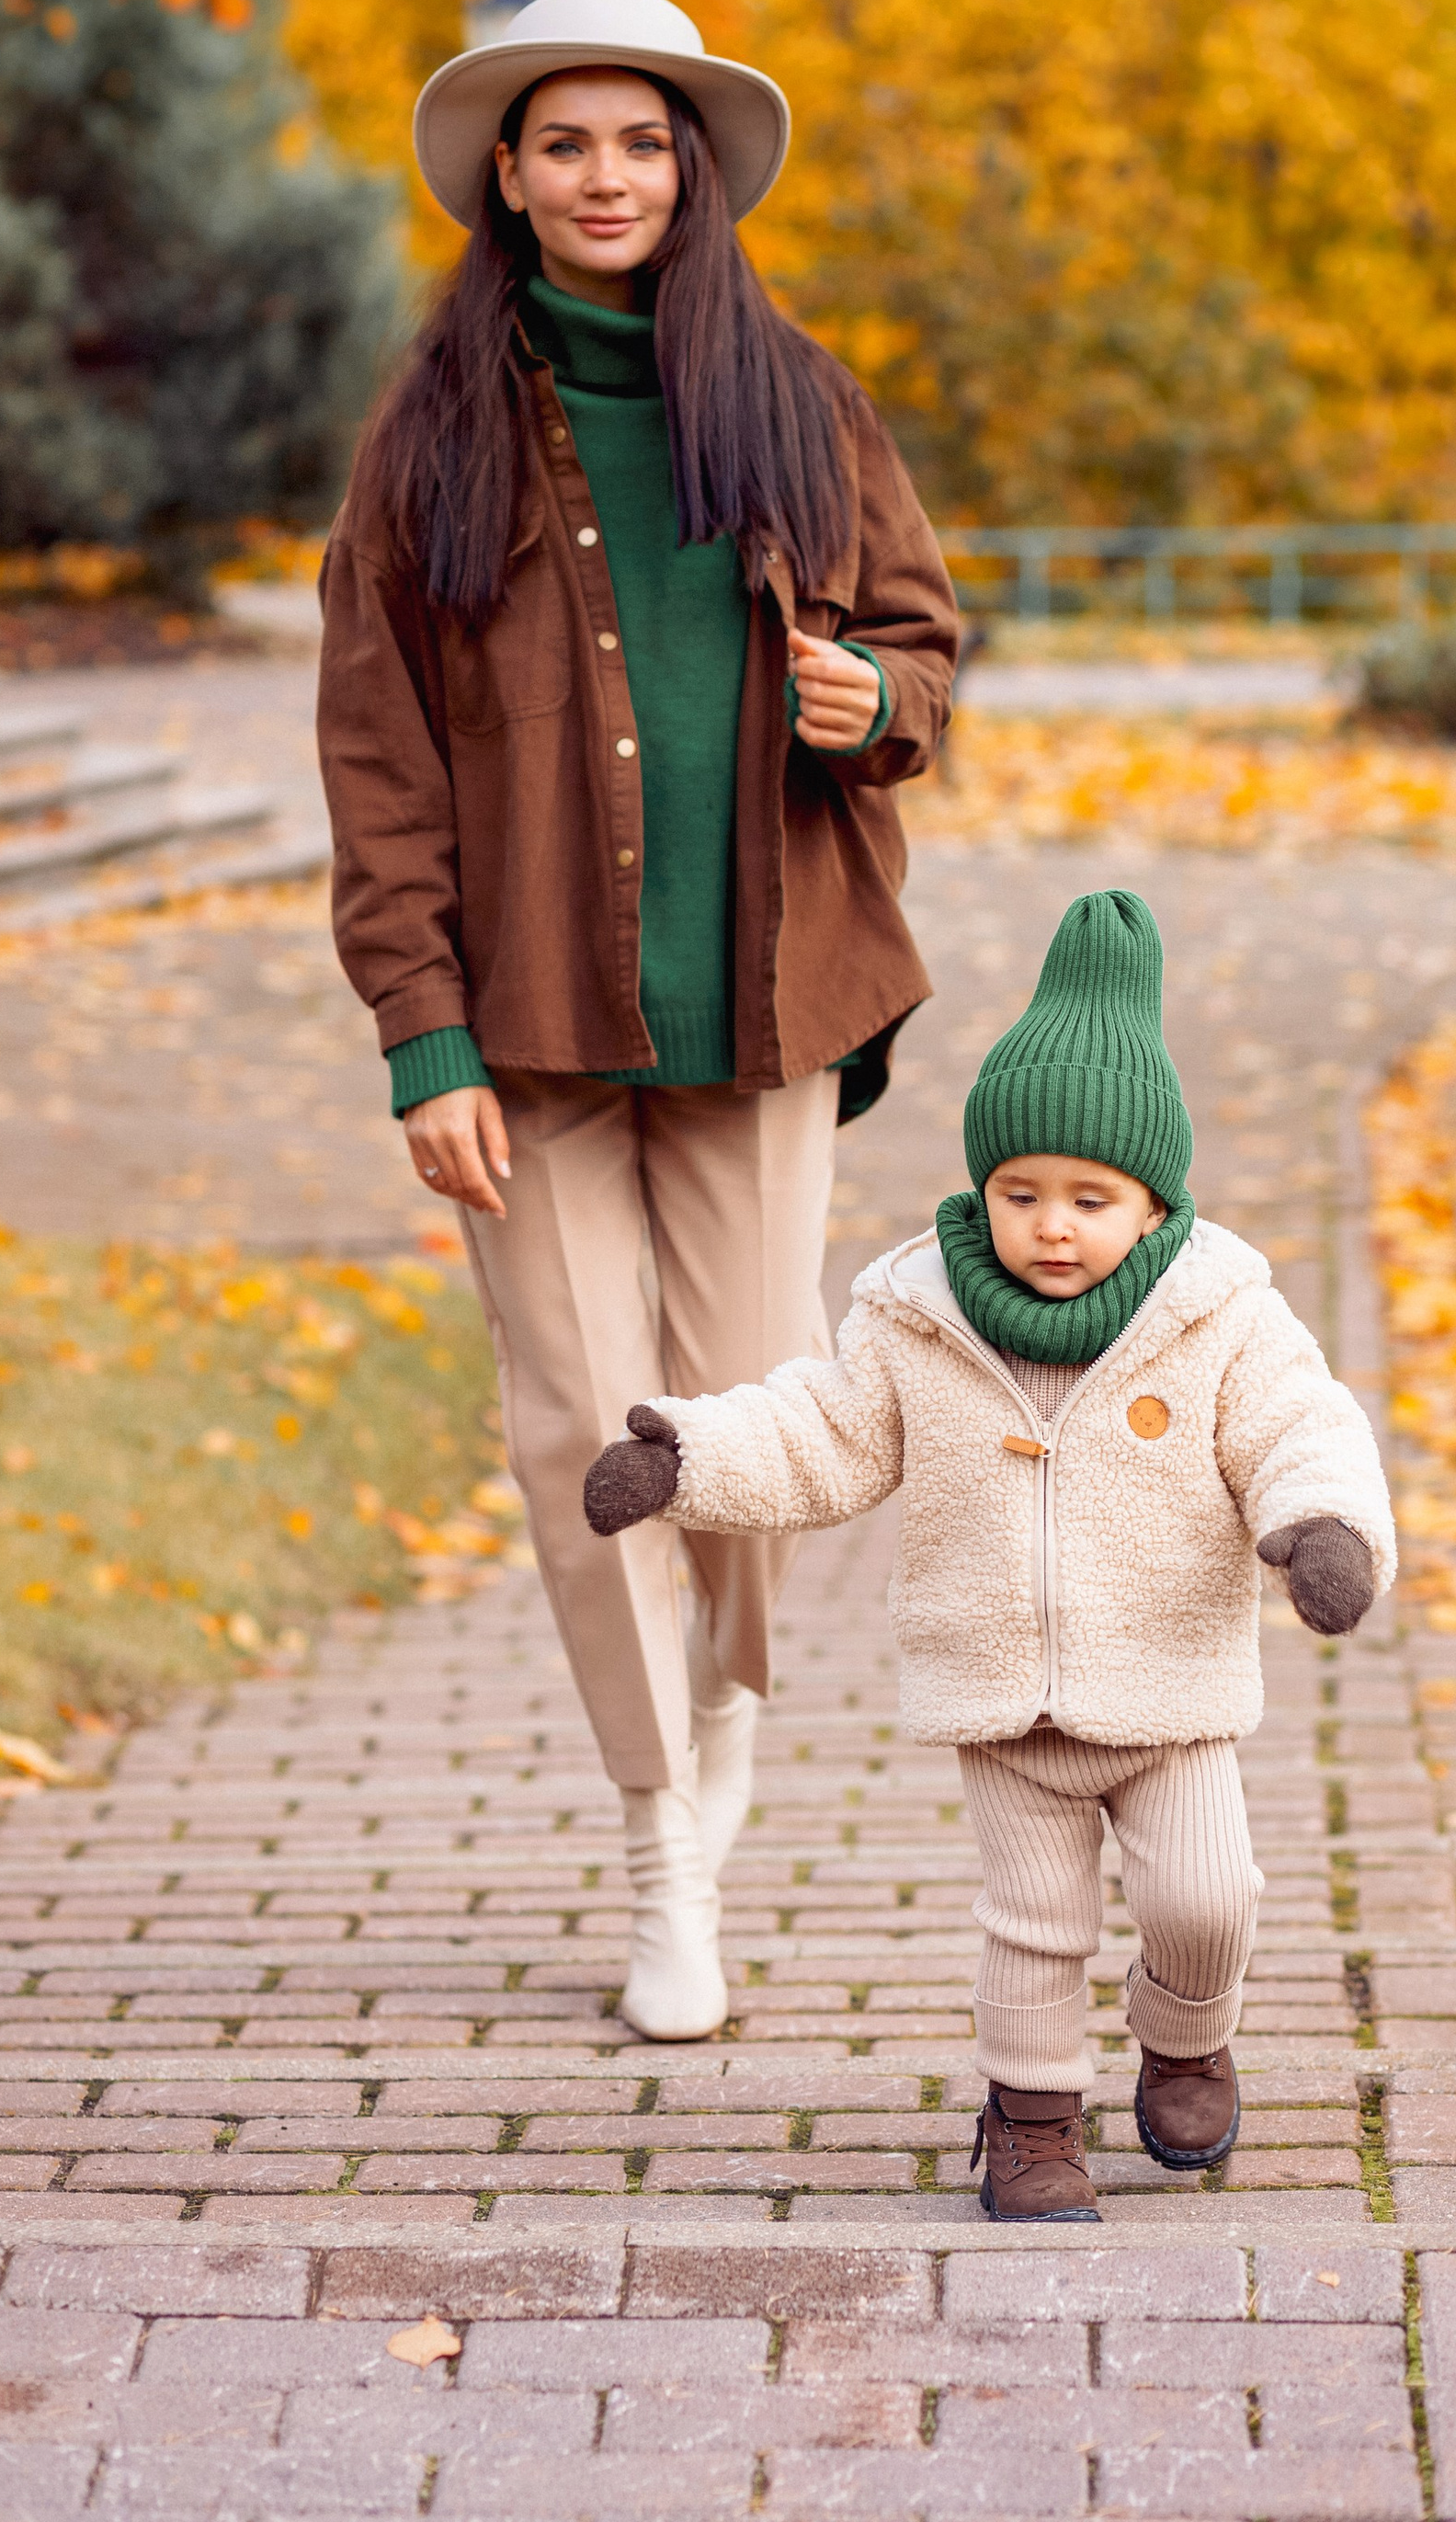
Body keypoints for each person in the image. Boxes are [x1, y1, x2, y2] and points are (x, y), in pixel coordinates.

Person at [316, 0, 961, 2044]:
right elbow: (379, 755)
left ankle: (733, 1701)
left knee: (745, 1422)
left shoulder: (796, 402)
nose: (607, 176)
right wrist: (419, 1035)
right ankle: (661, 1838)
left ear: (690, 171)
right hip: (516, 1031)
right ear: (504, 176)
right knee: (579, 1435)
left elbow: (916, 643)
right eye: (565, 142)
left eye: (641, 142)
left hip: (760, 1019)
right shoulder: (424, 440)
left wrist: (879, 705)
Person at [580, 888, 1396, 2216]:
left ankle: (1185, 2038)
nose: (1054, 1226)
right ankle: (1030, 2123)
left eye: (1091, 1198)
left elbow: (1303, 1429)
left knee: (1208, 1899)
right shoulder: (919, 1317)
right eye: (1022, 1194)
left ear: (1153, 1204)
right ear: (983, 1189)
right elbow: (821, 1430)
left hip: (1171, 1698)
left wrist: (1321, 1529)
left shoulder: (1221, 1319)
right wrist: (688, 1457)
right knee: (1032, 1929)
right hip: (1004, 1701)